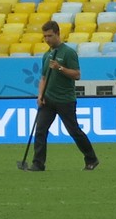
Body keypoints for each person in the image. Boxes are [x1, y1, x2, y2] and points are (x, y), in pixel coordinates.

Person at [27, 20, 100, 172]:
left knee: (74, 131)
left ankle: (91, 158)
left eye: (50, 36)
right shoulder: (47, 55)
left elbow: (77, 75)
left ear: (58, 34)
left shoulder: (68, 52)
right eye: (45, 36)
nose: (47, 39)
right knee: (40, 130)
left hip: (65, 100)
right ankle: (38, 163)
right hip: (48, 100)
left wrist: (59, 68)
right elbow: (43, 78)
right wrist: (40, 95)